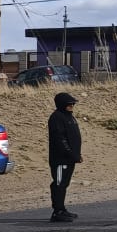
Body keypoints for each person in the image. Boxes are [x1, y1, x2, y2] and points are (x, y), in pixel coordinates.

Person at [47, 91, 83, 223]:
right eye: (69, 104)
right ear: (62, 104)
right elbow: (60, 139)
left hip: (70, 158)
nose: (72, 105)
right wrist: (71, 153)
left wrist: (76, 155)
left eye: (73, 103)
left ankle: (62, 209)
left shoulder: (70, 117)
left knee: (64, 183)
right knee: (59, 183)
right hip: (60, 159)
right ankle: (57, 212)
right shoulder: (56, 117)